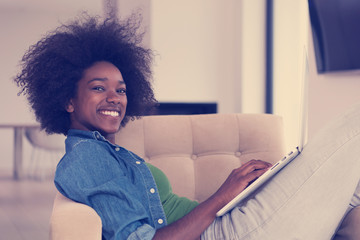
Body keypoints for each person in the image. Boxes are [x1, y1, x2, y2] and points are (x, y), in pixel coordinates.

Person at [15, 14, 360, 240]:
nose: (114, 97)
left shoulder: (107, 152)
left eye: (121, 89)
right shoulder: (85, 160)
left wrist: (242, 192)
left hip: (228, 221)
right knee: (351, 127)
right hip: (229, 233)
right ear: (67, 100)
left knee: (352, 187)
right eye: (98, 87)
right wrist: (225, 194)